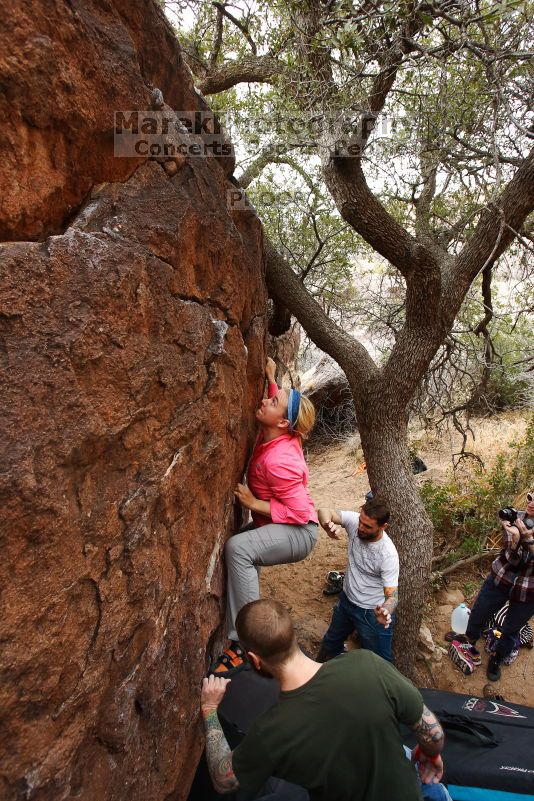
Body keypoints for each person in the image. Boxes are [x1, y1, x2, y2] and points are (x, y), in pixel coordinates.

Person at [200, 599, 451, 801]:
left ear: (254, 660)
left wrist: (210, 708)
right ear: (293, 637)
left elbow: (225, 781)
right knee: (405, 752)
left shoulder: (270, 732)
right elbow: (434, 735)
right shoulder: (366, 663)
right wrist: (430, 754)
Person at [211, 358, 318, 674]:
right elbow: (280, 404)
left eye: (271, 401)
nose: (265, 401)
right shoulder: (280, 430)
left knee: (239, 549)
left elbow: (300, 513)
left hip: (299, 533)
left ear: (283, 423)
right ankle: (245, 631)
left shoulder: (279, 460)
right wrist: (272, 378)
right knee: (244, 547)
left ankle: (244, 645)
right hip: (283, 524)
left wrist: (255, 503)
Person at [449, 491, 534, 681]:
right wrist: (515, 541)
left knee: (511, 629)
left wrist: (527, 539)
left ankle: (497, 658)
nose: (531, 503)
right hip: (502, 577)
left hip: (529, 591)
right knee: (480, 610)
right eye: (531, 497)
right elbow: (511, 559)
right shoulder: (515, 518)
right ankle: (469, 638)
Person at [316, 495, 399, 663]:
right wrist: (327, 525)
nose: (360, 528)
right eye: (360, 521)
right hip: (346, 602)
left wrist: (385, 611)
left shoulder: (388, 554)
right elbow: (325, 511)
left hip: (370, 613)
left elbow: (393, 596)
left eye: (367, 526)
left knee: (379, 662)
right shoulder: (355, 521)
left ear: (383, 527)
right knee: (330, 644)